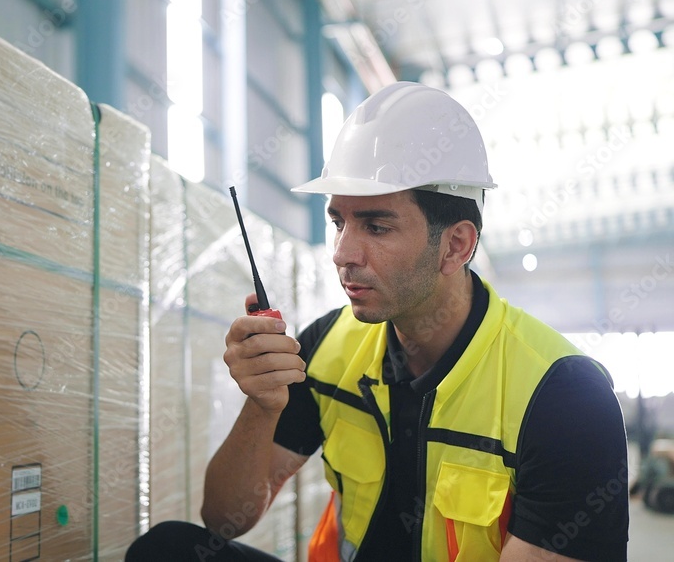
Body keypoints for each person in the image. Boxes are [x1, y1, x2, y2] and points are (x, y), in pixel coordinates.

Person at [126, 82, 629, 561]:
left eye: (377, 225)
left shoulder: (563, 395)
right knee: (168, 549)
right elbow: (224, 521)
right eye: (338, 221)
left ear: (456, 245)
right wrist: (262, 406)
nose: (342, 253)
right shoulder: (326, 347)